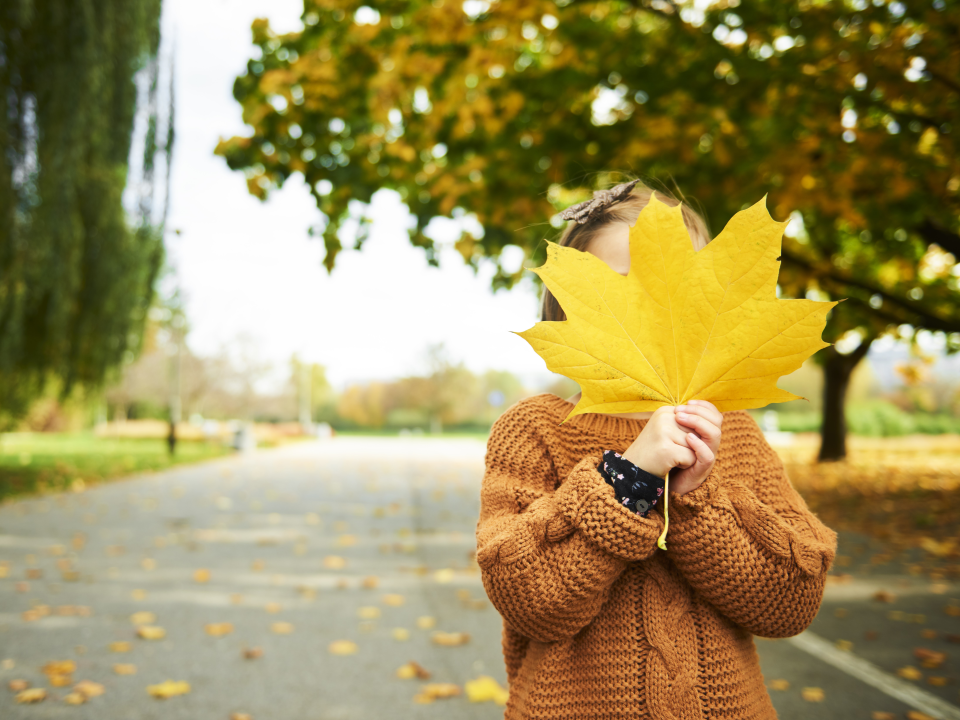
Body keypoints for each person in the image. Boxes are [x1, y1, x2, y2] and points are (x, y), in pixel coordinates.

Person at [475, 177, 838, 720]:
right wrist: (629, 482)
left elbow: (792, 599)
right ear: (569, 309)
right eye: (623, 288)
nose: (654, 309)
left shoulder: (732, 433)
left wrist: (698, 499)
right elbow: (528, 598)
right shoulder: (535, 429)